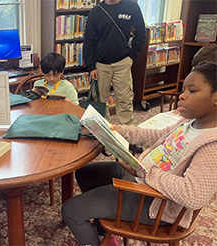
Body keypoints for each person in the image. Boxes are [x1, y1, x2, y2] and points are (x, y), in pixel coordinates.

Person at [62, 62, 217, 246]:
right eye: (183, 90)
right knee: (84, 173)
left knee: (71, 210)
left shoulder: (211, 145)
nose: (182, 96)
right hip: (143, 179)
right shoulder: (188, 122)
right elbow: (154, 135)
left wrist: (144, 173)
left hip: (157, 204)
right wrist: (118, 130)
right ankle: (105, 231)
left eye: (192, 91)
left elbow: (194, 195)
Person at [83, 0, 146, 125]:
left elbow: (141, 34)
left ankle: (128, 134)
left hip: (122, 62)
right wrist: (91, 66)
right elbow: (89, 41)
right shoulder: (96, 12)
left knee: (125, 99)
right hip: (100, 65)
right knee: (100, 101)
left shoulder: (131, 7)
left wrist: (131, 57)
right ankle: (104, 132)